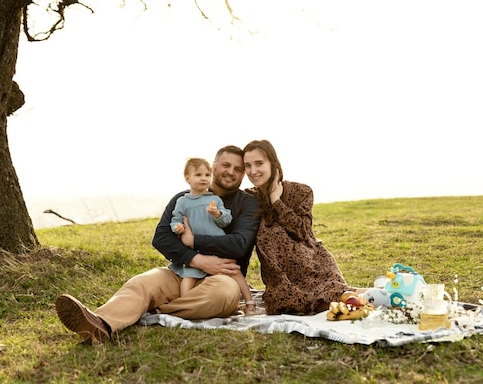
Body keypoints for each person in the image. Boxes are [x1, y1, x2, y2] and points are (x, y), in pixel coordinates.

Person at [55, 146, 260, 343]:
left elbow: (239, 244)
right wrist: (197, 259)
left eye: (238, 169)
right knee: (143, 282)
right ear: (214, 167)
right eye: (226, 165)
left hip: (223, 277)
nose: (231, 172)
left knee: (222, 294)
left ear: (243, 174)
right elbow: (162, 237)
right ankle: (100, 323)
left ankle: (152, 312)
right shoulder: (183, 199)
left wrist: (194, 241)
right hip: (181, 271)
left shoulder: (247, 202)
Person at [242, 139, 360, 315]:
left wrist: (276, 201)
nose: (253, 171)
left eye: (259, 163)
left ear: (273, 163)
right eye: (247, 166)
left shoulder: (302, 191)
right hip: (281, 277)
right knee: (291, 305)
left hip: (314, 265)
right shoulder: (249, 198)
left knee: (341, 297)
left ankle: (382, 295)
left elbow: (303, 231)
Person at [169, 157, 258, 315]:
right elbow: (176, 219)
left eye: (206, 175)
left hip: (216, 244)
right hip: (196, 253)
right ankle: (184, 305)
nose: (204, 179)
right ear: (187, 178)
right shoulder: (182, 201)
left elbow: (226, 219)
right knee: (189, 278)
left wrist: (217, 214)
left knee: (234, 271)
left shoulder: (214, 199)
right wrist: (178, 227)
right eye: (198, 175)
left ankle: (250, 303)